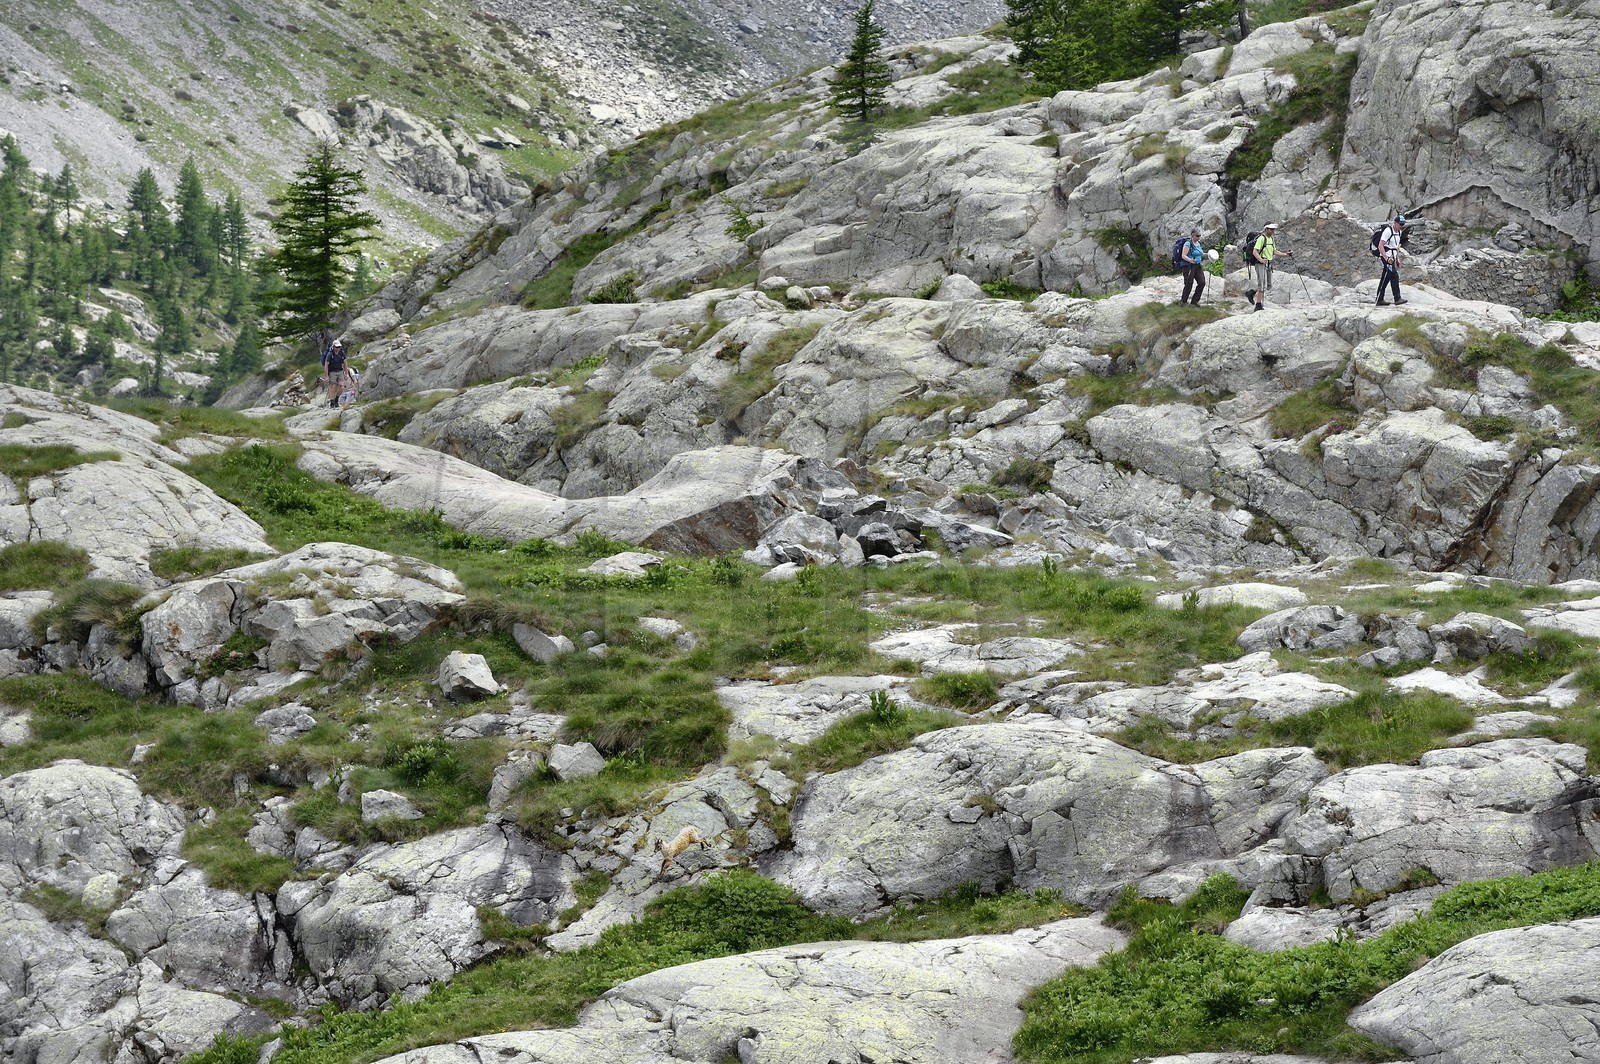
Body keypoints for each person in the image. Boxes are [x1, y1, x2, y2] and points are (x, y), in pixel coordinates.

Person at [1243, 222, 1291, 312]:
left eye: (1273, 229)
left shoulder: (1271, 239)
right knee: (1262, 285)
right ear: (1266, 229)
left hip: (1268, 263)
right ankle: (1258, 305)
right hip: (1260, 263)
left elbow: (1274, 251)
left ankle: (1251, 293)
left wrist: (1286, 255)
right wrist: (1261, 260)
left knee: (1268, 285)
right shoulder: (1261, 238)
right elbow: (1255, 251)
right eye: (1271, 229)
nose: (1273, 231)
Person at [1376, 214, 1408, 306]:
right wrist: (1386, 258)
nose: (1401, 226)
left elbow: (1396, 247)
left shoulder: (1399, 232)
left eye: (1403, 224)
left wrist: (1398, 259)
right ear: (1395, 223)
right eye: (1400, 224)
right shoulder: (1388, 231)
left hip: (1392, 257)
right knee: (1394, 276)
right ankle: (1397, 298)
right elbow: (1380, 246)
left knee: (1386, 277)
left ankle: (1379, 299)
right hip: (1387, 257)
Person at [1179, 228, 1206, 306]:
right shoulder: (1188, 244)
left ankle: (1194, 301)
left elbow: (1200, 254)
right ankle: (1183, 302)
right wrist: (1190, 260)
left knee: (1202, 282)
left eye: (1200, 236)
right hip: (1189, 266)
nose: (1199, 237)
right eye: (1197, 236)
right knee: (1189, 283)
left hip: (1198, 265)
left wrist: (1209, 255)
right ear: (1193, 235)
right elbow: (1183, 255)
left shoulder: (1199, 243)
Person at [323, 339, 348, 408]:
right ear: (333, 347)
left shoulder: (341, 353)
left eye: (339, 347)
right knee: (332, 387)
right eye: (336, 347)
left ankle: (336, 399)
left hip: (340, 371)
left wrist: (346, 373)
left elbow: (345, 363)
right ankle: (332, 402)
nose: (337, 348)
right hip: (332, 372)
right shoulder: (330, 354)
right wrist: (326, 376)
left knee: (342, 387)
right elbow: (326, 365)